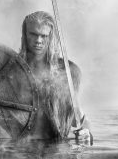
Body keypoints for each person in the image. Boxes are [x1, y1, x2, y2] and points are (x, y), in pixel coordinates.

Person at [19, 11, 92, 142]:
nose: (38, 41)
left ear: (51, 37)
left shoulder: (65, 72)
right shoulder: (12, 69)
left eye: (44, 36)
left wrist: (86, 132)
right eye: (33, 34)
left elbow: (80, 119)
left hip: (54, 145)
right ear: (25, 34)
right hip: (15, 145)